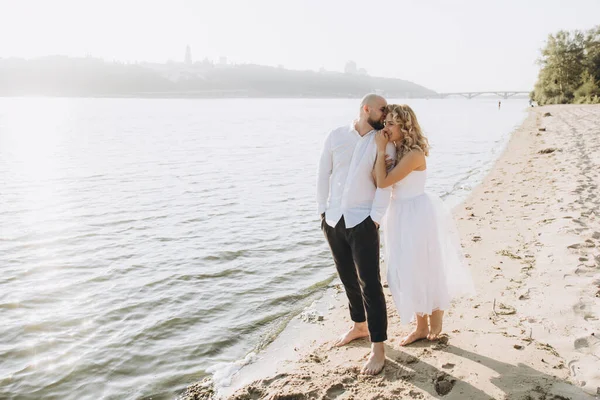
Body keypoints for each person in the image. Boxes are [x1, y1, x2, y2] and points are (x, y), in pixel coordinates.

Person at [373, 104, 475, 346]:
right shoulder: (395, 149)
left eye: (390, 124)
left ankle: (436, 320)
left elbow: (383, 181)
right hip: (398, 214)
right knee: (407, 270)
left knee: (426, 266)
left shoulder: (414, 154)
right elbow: (377, 179)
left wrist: (379, 152)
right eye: (385, 123)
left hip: (416, 214)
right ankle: (420, 326)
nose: (385, 128)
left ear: (404, 126)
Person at [317, 94, 396, 375]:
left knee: (370, 284)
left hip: (363, 220)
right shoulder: (336, 135)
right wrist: (322, 212)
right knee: (347, 278)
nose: (386, 114)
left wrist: (375, 219)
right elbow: (323, 173)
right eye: (383, 109)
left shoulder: (383, 141)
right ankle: (359, 326)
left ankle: (378, 347)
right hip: (334, 219)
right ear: (366, 109)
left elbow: (385, 183)